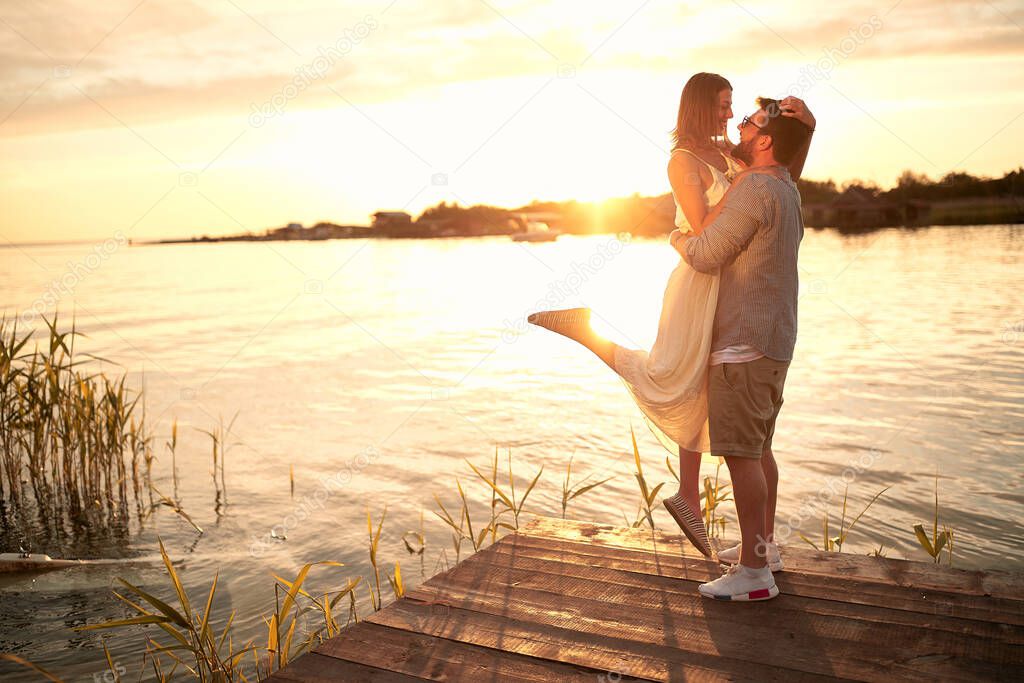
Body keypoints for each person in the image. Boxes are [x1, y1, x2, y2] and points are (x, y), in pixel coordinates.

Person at [527, 73, 815, 561]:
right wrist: (716, 208)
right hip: (701, 277)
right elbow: (704, 228)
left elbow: (781, 168)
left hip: (731, 283)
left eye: (736, 109)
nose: (731, 115)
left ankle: (737, 533)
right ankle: (587, 332)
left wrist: (806, 129)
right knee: (673, 377)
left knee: (710, 396)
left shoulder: (736, 157)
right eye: (725, 106)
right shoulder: (684, 160)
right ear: (702, 107)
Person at [678, 97, 813, 601]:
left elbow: (708, 253)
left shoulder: (756, 186)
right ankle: (764, 548)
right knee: (760, 450)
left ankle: (755, 575)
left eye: (752, 121)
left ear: (765, 141)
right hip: (775, 341)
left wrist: (675, 238)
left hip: (742, 344)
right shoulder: (785, 187)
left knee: (740, 455)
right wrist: (809, 128)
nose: (740, 122)